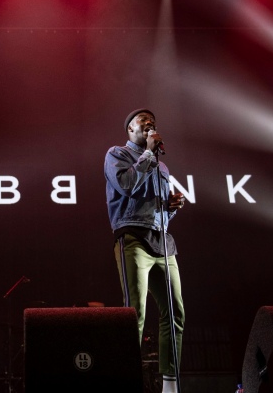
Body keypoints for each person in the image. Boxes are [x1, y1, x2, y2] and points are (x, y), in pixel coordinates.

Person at [104, 109, 186, 393]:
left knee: (175, 312)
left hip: (161, 240)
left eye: (153, 121)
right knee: (135, 310)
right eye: (143, 121)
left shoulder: (162, 168)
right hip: (133, 236)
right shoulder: (117, 154)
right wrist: (149, 155)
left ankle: (170, 385)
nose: (150, 123)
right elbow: (126, 185)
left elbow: (157, 212)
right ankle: (126, 379)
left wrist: (171, 207)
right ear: (130, 129)